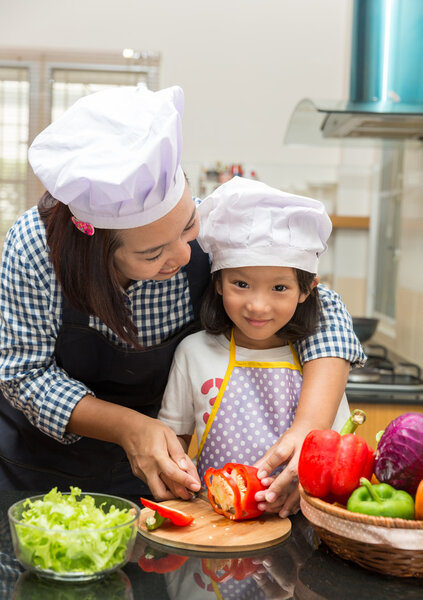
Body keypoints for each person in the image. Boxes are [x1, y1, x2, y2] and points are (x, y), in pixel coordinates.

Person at [0, 83, 364, 498]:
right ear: (97, 248)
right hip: (39, 467)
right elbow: (24, 374)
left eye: (188, 226)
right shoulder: (36, 246)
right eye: (154, 252)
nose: (185, 255)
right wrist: (129, 427)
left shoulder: (217, 224)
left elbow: (322, 305)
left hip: (165, 469)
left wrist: (309, 430)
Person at [159, 176, 355, 516]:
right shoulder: (194, 353)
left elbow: (336, 452)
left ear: (307, 290)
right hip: (216, 524)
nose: (258, 306)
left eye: (279, 288)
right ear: (218, 283)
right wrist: (176, 479)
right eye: (241, 284)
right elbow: (174, 442)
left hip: (298, 524)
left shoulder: (319, 366)